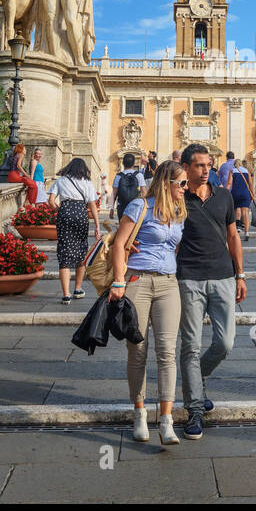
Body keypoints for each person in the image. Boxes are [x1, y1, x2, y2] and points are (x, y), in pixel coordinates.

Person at [108, 161, 187, 445]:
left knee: (167, 351)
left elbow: (173, 246)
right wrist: (119, 280)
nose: (185, 189)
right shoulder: (139, 207)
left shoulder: (179, 211)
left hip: (168, 283)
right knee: (138, 349)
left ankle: (166, 421)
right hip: (137, 281)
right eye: (182, 183)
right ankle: (139, 413)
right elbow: (119, 243)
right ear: (166, 182)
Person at [177, 143, 247, 441]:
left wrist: (240, 274)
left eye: (209, 165)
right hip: (189, 278)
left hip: (223, 277)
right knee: (190, 346)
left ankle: (198, 379)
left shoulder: (224, 196)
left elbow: (233, 235)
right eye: (199, 165)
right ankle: (193, 409)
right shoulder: (177, 198)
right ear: (186, 168)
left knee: (225, 342)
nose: (206, 170)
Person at [46, 158, 100, 304]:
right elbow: (93, 205)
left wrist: (60, 210)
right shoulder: (88, 183)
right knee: (81, 249)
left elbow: (51, 200)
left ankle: (66, 294)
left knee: (64, 250)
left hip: (65, 212)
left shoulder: (61, 180)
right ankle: (77, 289)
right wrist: (97, 225)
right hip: (81, 213)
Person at [111, 152, 147, 221]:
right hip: (135, 206)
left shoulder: (118, 176)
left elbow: (114, 194)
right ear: (134, 164)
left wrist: (111, 209)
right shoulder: (139, 175)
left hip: (121, 206)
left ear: (123, 163)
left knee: (122, 227)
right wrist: (145, 208)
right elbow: (144, 192)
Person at [230, 158, 256, 241]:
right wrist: (253, 195)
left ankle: (237, 227)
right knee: (245, 212)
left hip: (235, 193)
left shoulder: (232, 171)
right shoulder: (246, 171)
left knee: (236, 209)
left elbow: (229, 183)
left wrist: (224, 192)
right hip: (245, 193)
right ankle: (247, 232)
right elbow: (251, 184)